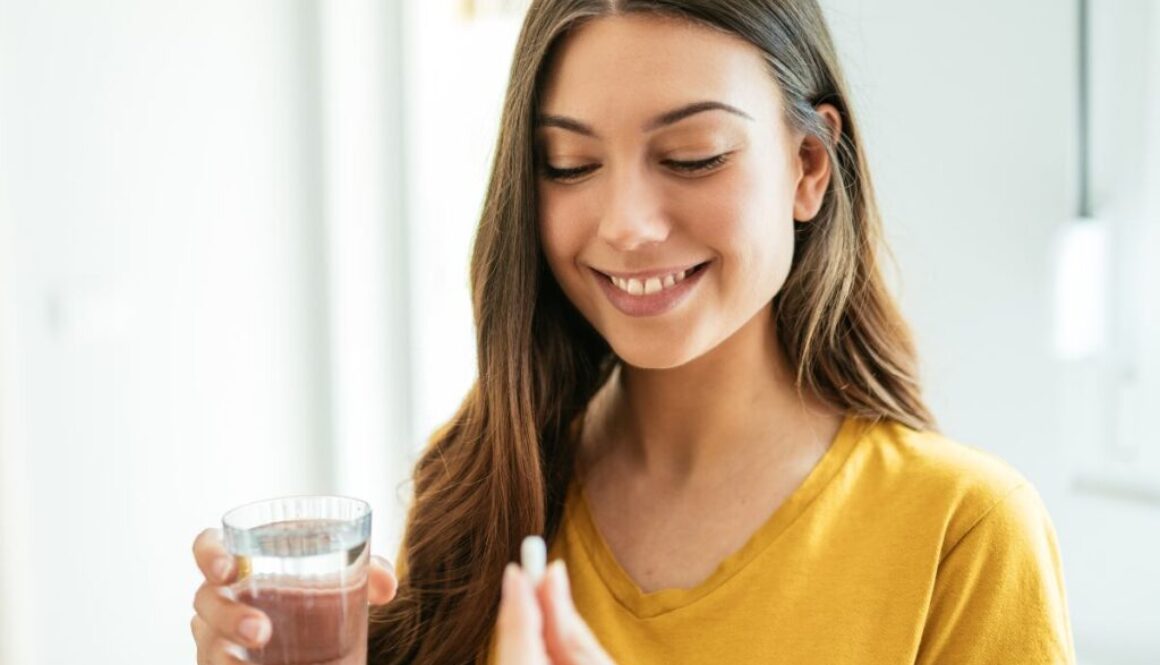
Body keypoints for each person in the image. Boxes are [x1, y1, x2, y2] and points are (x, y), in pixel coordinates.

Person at [191, 1, 1077, 663]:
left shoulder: (962, 535)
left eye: (692, 155)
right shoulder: (477, 487)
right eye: (568, 165)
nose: (625, 224)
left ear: (809, 166)